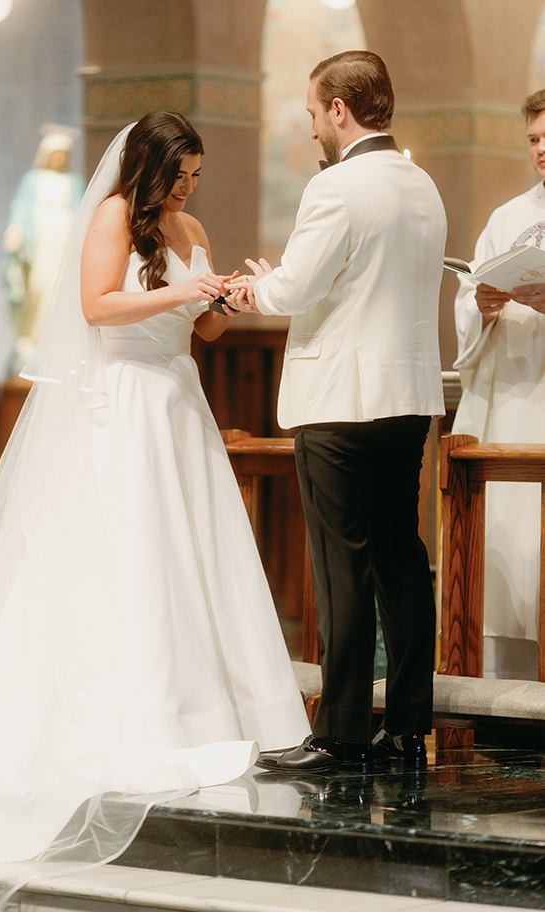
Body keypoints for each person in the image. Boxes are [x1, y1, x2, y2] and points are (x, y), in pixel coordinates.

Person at [0, 113, 308, 871]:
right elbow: (96, 306)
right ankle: (133, 707)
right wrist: (179, 296)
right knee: (133, 549)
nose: (189, 187)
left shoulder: (191, 227)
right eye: (181, 175)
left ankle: (212, 706)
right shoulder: (116, 215)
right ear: (151, 168)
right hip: (125, 397)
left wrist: (224, 299)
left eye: (197, 176)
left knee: (194, 554)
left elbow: (202, 333)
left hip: (180, 398)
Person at [226, 51, 447, 771]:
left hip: (341, 405)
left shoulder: (337, 187)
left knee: (342, 568)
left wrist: (254, 288)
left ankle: (344, 730)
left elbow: (293, 290)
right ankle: (410, 726)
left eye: (314, 111)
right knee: (403, 561)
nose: (313, 124)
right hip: (407, 400)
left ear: (340, 110)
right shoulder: (422, 184)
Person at [451, 89, 545, 680]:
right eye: (534, 140)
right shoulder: (507, 218)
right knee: (507, 538)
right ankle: (502, 694)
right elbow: (471, 292)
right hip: (510, 398)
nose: (541, 150)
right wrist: (481, 304)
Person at [3, 125, 86, 372]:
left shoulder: (74, 181)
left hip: (63, 238)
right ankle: (30, 339)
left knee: (59, 287)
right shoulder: (33, 179)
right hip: (39, 240)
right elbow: (21, 206)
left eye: (63, 153)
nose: (59, 158)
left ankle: (56, 339)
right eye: (55, 153)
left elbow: (80, 211)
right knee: (36, 288)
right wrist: (15, 229)